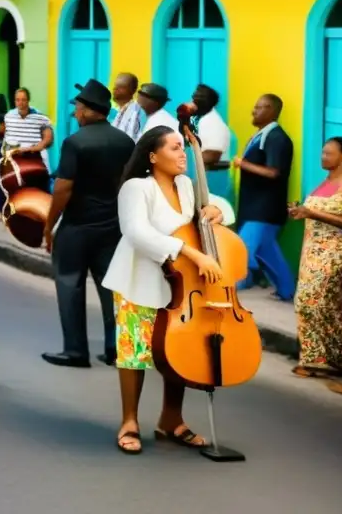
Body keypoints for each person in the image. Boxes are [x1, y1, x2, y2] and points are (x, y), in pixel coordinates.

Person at [101, 126, 229, 454]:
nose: (182, 153)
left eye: (182, 147)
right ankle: (129, 420)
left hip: (179, 285)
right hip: (138, 280)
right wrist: (188, 251)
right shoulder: (136, 187)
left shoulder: (186, 185)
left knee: (177, 350)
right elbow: (136, 231)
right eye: (174, 148)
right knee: (133, 352)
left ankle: (171, 419)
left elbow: (215, 208)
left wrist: (217, 211)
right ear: (153, 156)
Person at [43, 80, 135, 368]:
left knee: (69, 283)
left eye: (78, 108)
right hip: (112, 227)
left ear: (86, 111)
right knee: (111, 287)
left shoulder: (75, 142)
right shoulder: (125, 142)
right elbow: (129, 184)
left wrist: (49, 224)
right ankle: (115, 348)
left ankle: (75, 350)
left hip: (77, 227)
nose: (75, 114)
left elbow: (63, 189)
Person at [289, 137, 342, 378]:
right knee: (312, 304)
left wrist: (313, 213)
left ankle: (323, 360)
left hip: (334, 252)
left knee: (314, 302)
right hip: (311, 252)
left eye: (329, 154)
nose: (324, 157)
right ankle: (334, 358)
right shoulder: (325, 181)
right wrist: (300, 211)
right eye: (322, 153)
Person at [233, 94, 296, 299]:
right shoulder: (262, 135)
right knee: (267, 251)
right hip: (255, 207)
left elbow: (273, 172)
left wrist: (243, 164)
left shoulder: (277, 138)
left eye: (259, 107)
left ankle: (229, 291)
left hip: (264, 209)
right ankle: (287, 290)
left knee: (241, 251)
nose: (254, 110)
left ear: (271, 110)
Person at [2, 88, 54, 171]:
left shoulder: (38, 115)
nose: (20, 103)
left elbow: (48, 138)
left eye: (23, 100)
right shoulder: (10, 115)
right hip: (17, 159)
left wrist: (31, 149)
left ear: (28, 101)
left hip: (35, 157)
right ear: (15, 101)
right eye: (17, 100)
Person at [110, 73, 142, 142]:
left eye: (120, 86)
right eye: (115, 85)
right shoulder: (115, 112)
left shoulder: (136, 112)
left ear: (131, 90)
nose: (115, 88)